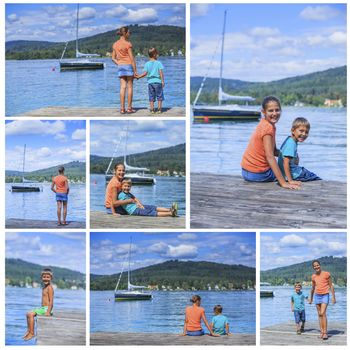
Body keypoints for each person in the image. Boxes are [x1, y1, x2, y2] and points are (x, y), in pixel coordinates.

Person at [241, 96, 300, 190]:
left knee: (286, 167)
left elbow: (273, 151)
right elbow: (270, 156)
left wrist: (291, 155)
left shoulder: (266, 124)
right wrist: (283, 183)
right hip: (257, 174)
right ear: (263, 112)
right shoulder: (268, 128)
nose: (274, 113)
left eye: (277, 110)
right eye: (270, 111)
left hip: (246, 171)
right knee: (292, 173)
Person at [278, 117, 321, 182]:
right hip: (295, 175)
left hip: (289, 173)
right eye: (301, 131)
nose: (304, 134)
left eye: (306, 132)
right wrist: (290, 181)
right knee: (316, 178)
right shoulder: (291, 144)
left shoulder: (289, 140)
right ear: (293, 130)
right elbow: (285, 163)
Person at [23, 268, 54, 341]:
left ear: (51, 278)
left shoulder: (50, 288)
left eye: (47, 277)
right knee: (28, 314)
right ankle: (29, 331)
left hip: (47, 309)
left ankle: (32, 333)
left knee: (30, 314)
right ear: (41, 277)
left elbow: (51, 301)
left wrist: (48, 312)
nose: (45, 279)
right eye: (44, 277)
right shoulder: (44, 287)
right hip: (43, 308)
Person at [112, 26, 137, 114]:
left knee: (122, 87)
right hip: (128, 65)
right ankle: (129, 108)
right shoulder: (128, 44)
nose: (130, 34)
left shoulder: (115, 44)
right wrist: (135, 70)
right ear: (125, 33)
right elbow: (132, 58)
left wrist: (119, 63)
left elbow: (113, 58)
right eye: (129, 32)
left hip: (121, 66)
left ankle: (122, 109)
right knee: (130, 87)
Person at [309, 260, 336, 340]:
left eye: (317, 265)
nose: (316, 267)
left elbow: (331, 286)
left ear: (320, 265)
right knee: (319, 315)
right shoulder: (313, 276)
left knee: (322, 313)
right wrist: (311, 298)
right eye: (314, 266)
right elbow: (313, 288)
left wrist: (333, 297)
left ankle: (325, 333)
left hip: (325, 295)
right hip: (317, 296)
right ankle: (322, 332)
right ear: (313, 267)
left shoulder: (327, 274)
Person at [136, 47, 165, 114]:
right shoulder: (158, 63)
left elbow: (145, 73)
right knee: (159, 96)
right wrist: (162, 81)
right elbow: (161, 73)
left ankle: (152, 110)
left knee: (151, 96)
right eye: (157, 54)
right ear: (154, 54)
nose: (157, 55)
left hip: (150, 83)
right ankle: (159, 109)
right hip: (158, 82)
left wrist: (139, 77)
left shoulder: (147, 64)